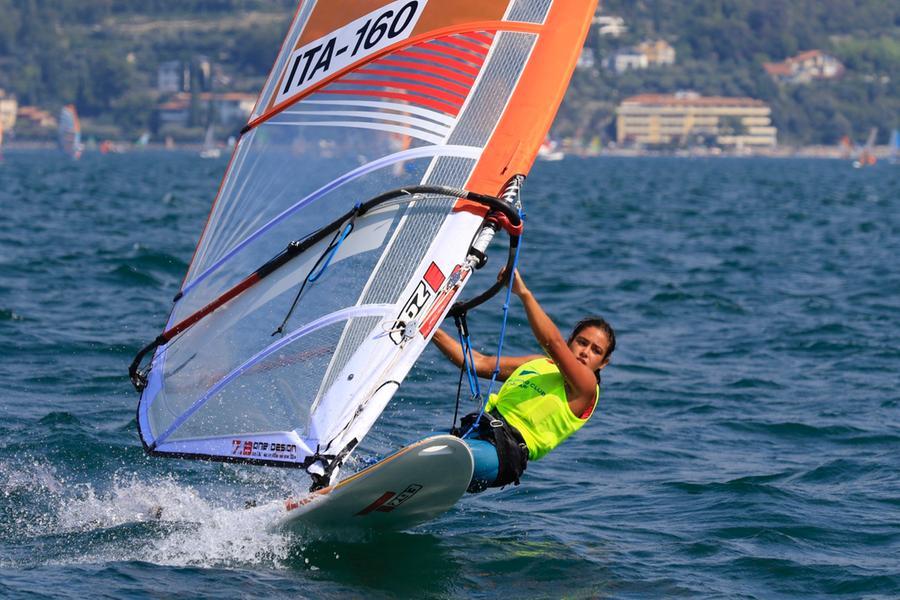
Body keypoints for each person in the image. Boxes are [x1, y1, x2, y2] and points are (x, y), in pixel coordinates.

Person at [431, 269, 615, 492]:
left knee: (439, 456)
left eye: (596, 350)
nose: (586, 352)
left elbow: (552, 343)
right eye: (582, 342)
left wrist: (524, 293)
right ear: (571, 342)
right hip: (476, 432)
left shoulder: (586, 389)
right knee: (416, 449)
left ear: (603, 363)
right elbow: (476, 363)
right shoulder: (538, 364)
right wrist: (431, 328)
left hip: (502, 455)